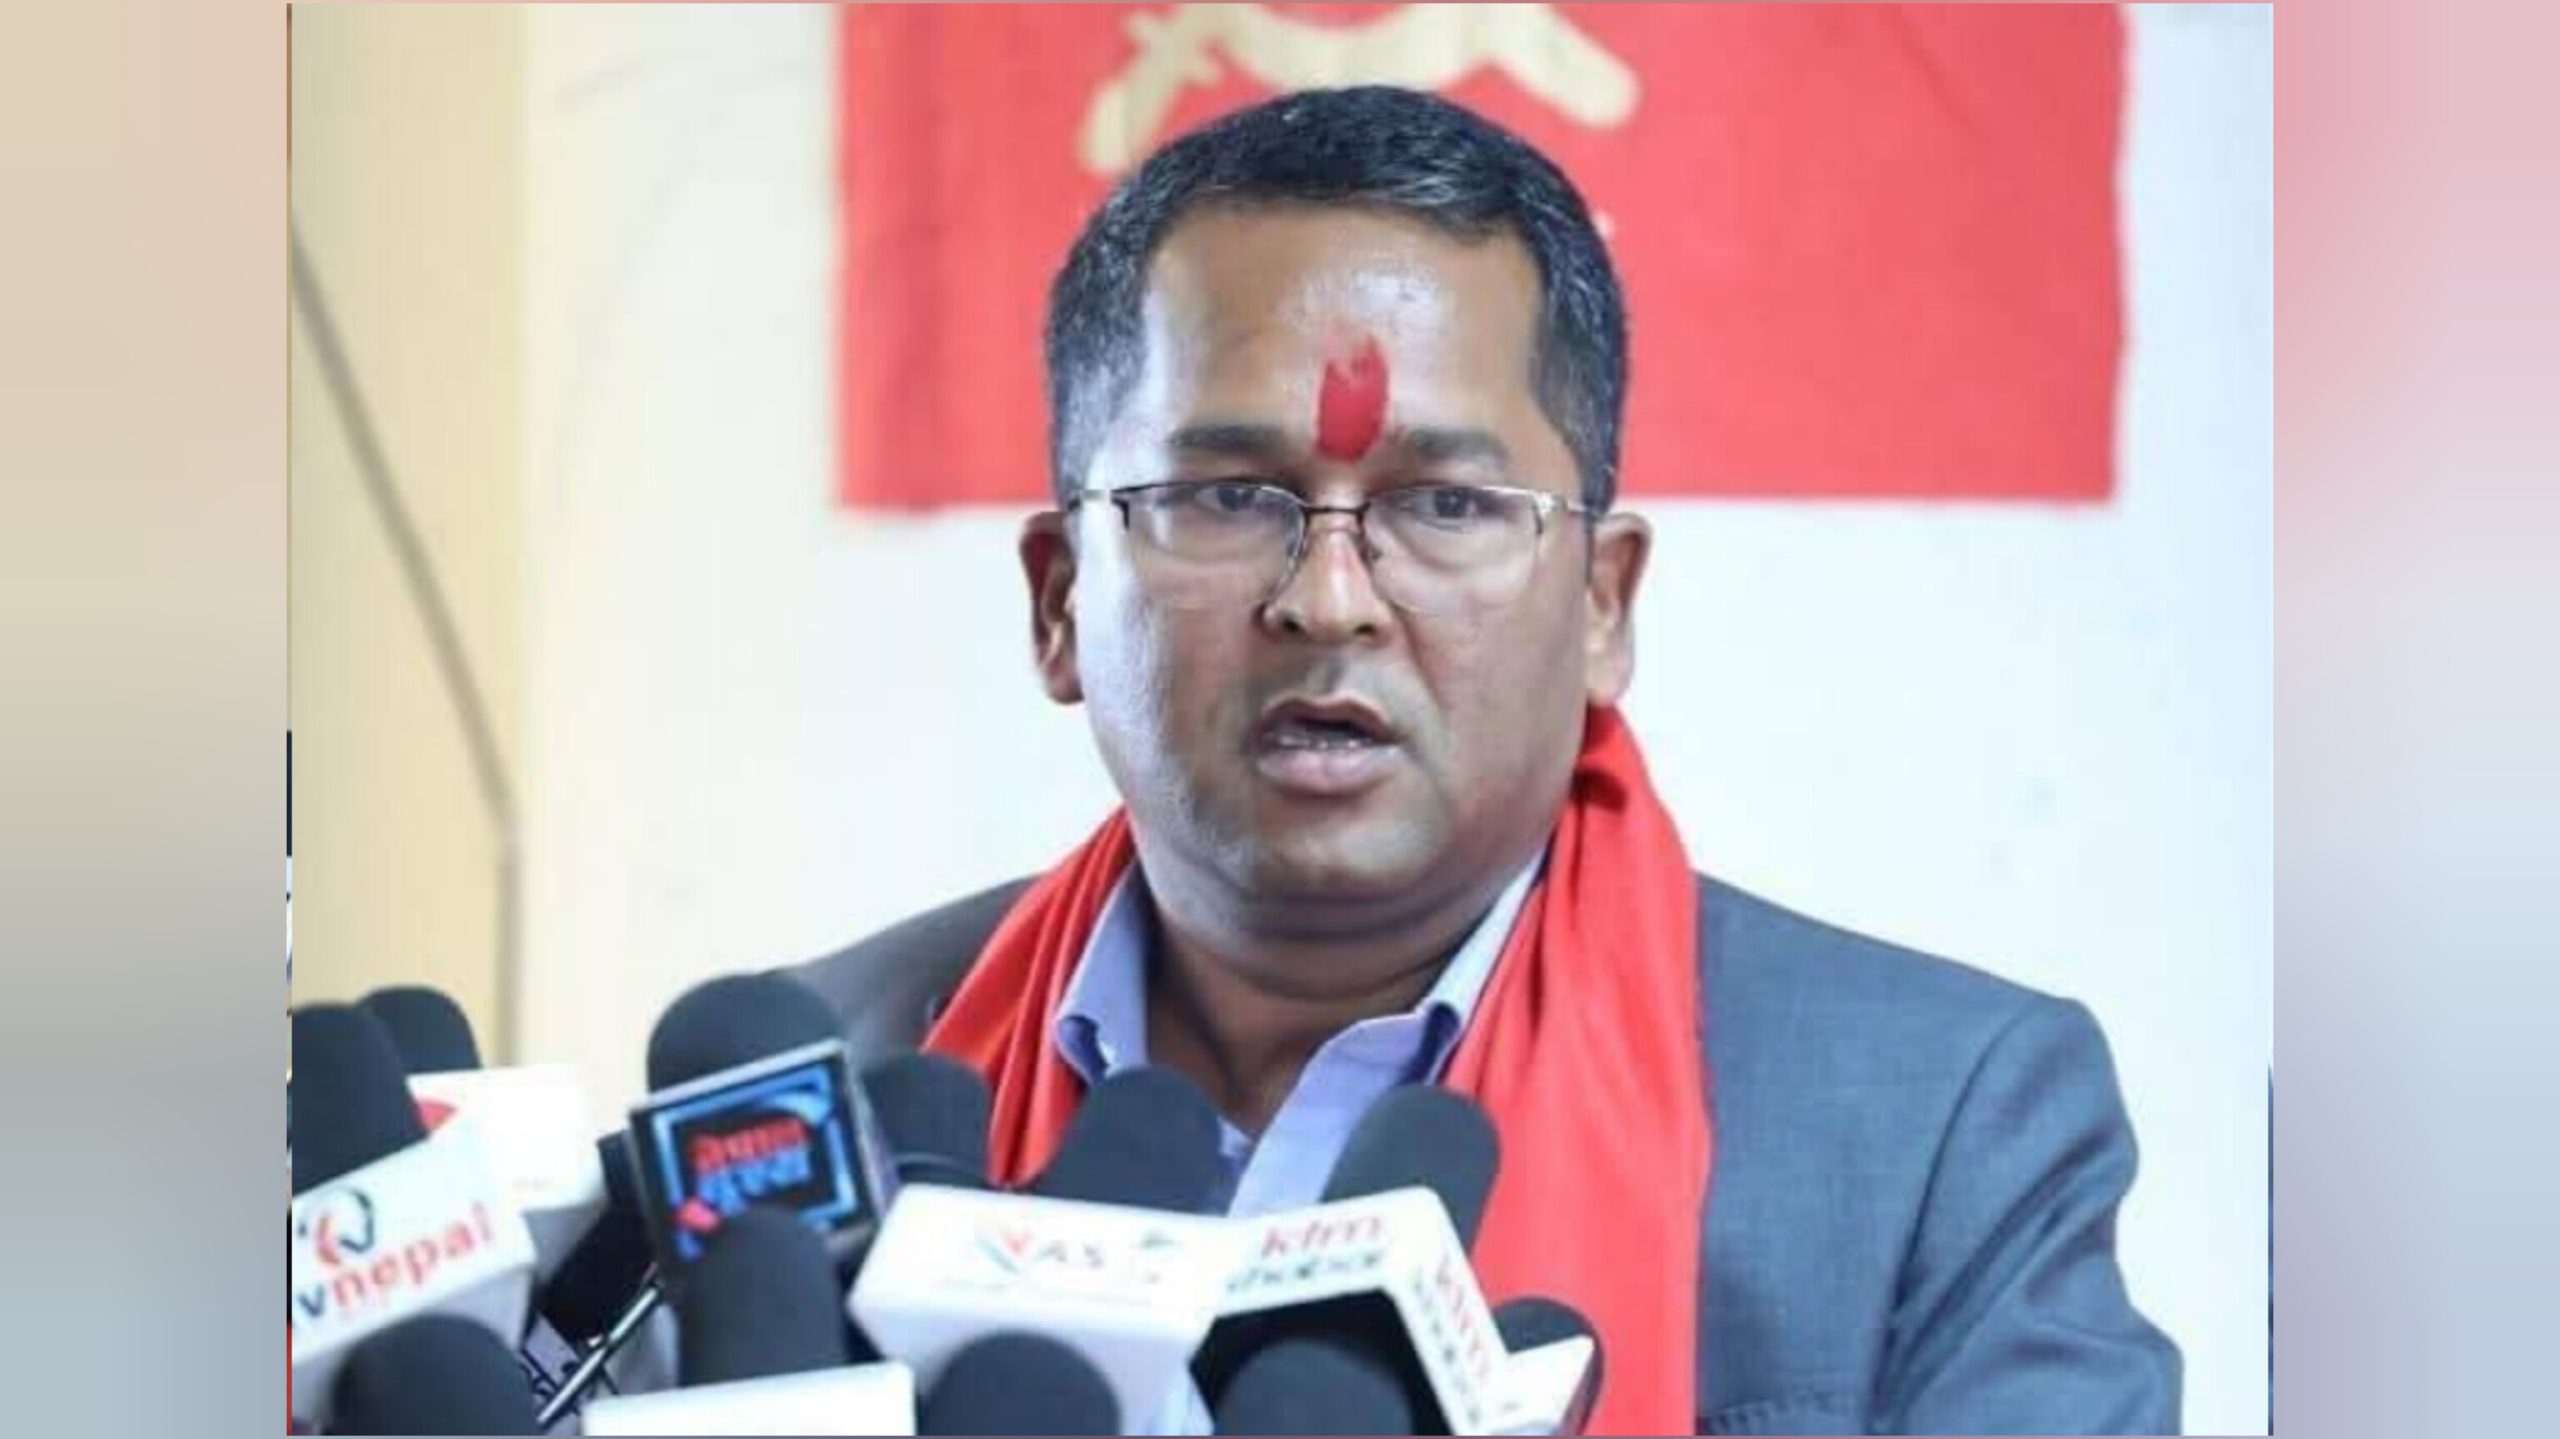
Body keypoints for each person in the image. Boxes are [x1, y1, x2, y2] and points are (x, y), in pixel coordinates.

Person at [795, 86, 2179, 1435]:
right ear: (1057, 602)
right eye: (1226, 497)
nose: (1329, 598)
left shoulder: (1936, 1126)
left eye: (1447, 505)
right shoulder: (816, 1096)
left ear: (1603, 607)